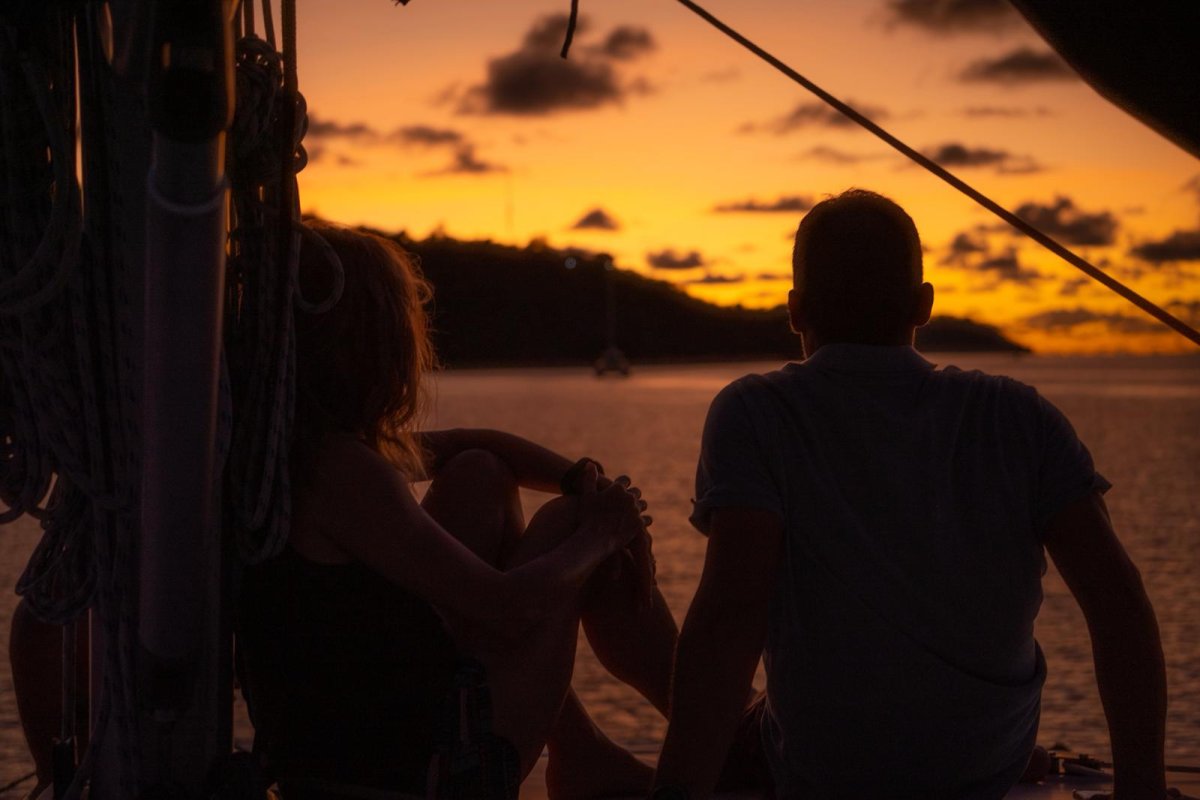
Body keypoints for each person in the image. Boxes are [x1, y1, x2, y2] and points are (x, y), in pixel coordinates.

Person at [650, 189, 1169, 799]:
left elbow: (729, 619)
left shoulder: (756, 413)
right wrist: (1143, 792)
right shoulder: (1019, 416)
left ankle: (584, 755)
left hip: (824, 772)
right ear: (923, 305)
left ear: (794, 311)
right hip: (984, 763)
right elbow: (1120, 604)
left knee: (641, 618)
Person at [237, 222, 678, 799]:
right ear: (375, 345)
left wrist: (581, 478)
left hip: (373, 734)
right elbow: (507, 609)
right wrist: (601, 531)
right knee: (568, 525)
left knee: (479, 473)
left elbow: (474, 443)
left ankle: (585, 754)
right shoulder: (344, 474)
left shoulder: (294, 449)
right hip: (424, 775)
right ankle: (705, 726)